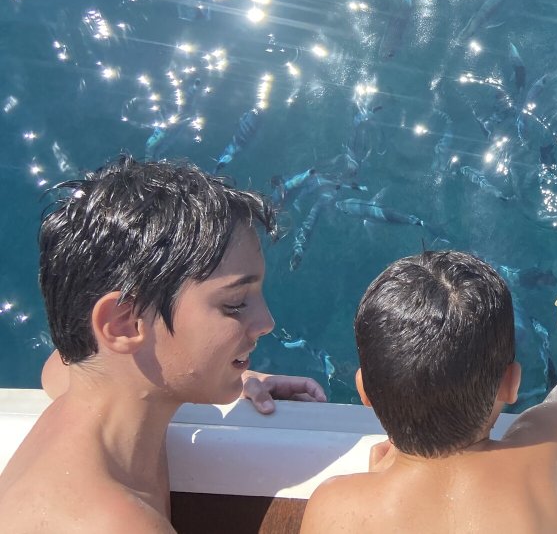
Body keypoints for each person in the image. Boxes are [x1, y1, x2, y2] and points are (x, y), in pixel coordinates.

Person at [0, 156, 327, 533]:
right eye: (235, 304)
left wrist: (230, 371)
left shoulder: (91, 392)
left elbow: (60, 365)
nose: (267, 323)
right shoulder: (113, 525)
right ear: (124, 324)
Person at [299, 249, 557, 534]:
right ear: (511, 383)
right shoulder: (535, 458)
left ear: (365, 390)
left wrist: (379, 483)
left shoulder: (333, 506)